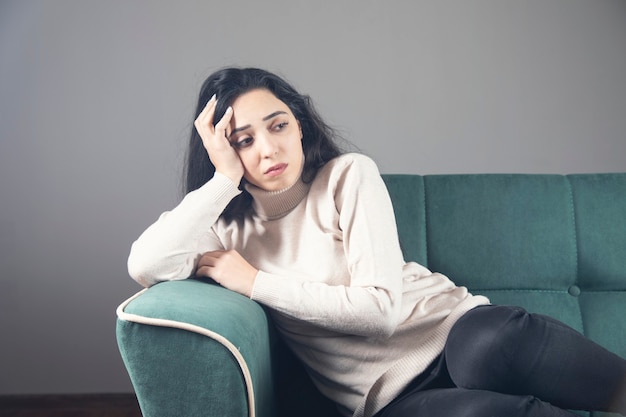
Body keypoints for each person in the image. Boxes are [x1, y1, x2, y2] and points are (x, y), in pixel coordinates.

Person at [127, 67, 626, 417]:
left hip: (453, 334)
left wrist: (255, 282)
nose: (270, 148)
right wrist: (220, 182)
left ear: (299, 126)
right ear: (224, 151)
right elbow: (146, 264)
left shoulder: (347, 176)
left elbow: (381, 311)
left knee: (496, 341)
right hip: (389, 398)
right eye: (244, 140)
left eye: (278, 126)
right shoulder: (224, 228)